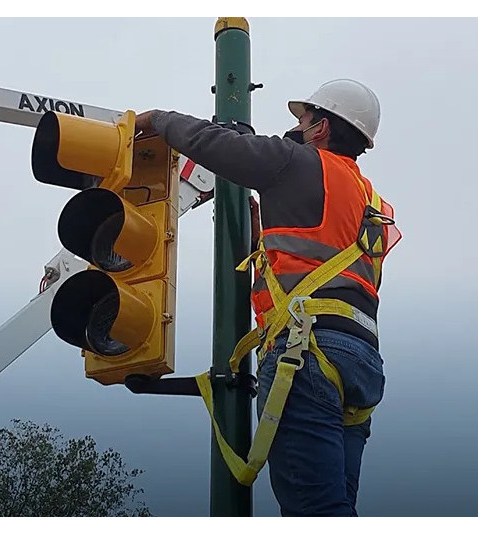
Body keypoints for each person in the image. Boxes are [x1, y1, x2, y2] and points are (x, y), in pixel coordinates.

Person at [135, 79, 401, 516]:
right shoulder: (373, 202)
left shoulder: (297, 162)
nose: (295, 127)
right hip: (362, 364)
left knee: (314, 511)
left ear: (321, 129)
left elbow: (211, 144)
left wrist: (157, 120)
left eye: (303, 119)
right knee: (335, 508)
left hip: (308, 354)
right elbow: (325, 267)